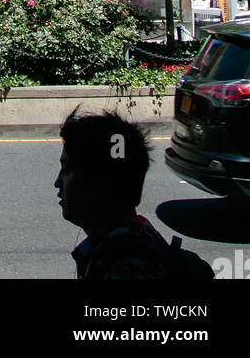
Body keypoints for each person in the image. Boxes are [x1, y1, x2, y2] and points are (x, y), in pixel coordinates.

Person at [56, 109, 183, 279]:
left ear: (100, 183)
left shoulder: (127, 267)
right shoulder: (121, 244)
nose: (58, 182)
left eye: (67, 170)